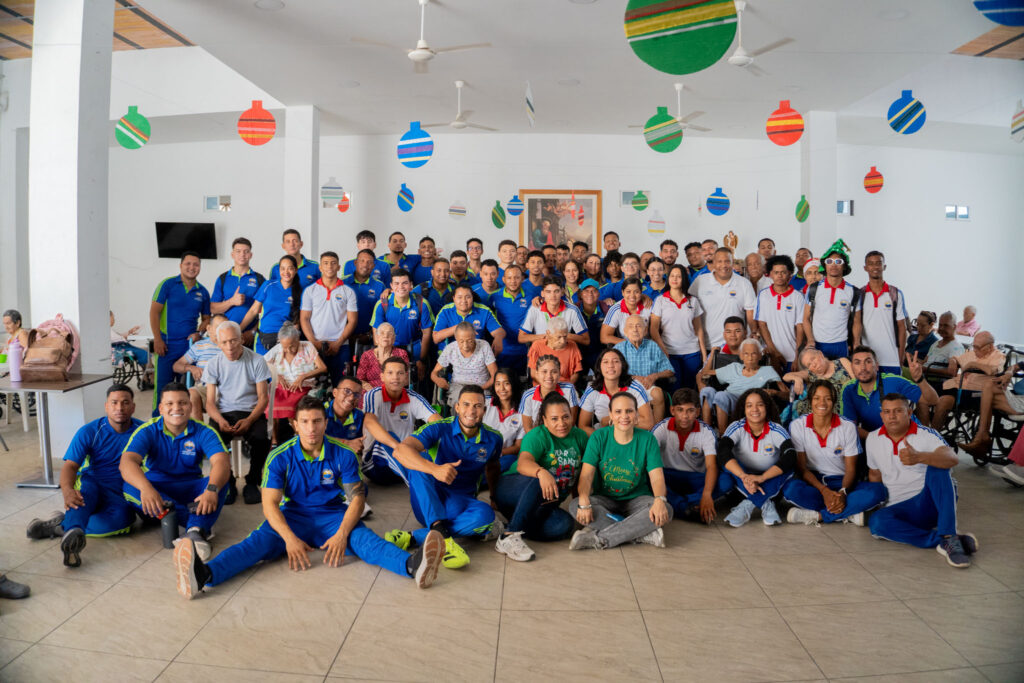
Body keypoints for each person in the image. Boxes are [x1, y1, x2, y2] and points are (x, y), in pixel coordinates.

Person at [173, 396, 445, 599]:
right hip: (293, 516)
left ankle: (412, 565)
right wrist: (289, 539)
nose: (311, 428)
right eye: (304, 422)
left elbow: (357, 499)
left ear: (326, 423)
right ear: (294, 425)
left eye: (317, 421)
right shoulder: (279, 457)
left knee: (366, 541)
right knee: (255, 544)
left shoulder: (344, 454)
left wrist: (342, 534)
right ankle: (203, 574)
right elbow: (269, 503)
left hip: (333, 515)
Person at [384, 385, 504, 569]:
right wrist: (434, 469)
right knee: (419, 459)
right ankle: (444, 537)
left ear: (484, 410)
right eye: (466, 404)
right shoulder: (440, 427)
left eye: (477, 406)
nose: (471, 411)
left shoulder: (494, 438)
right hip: (429, 501)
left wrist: (494, 497)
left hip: (460, 504)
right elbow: (400, 450)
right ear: (457, 407)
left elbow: (493, 468)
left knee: (486, 515)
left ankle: (414, 537)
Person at [25, 384, 143, 567]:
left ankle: (60, 526)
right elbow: (70, 466)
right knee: (81, 498)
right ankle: (72, 534)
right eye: (114, 403)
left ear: (133, 407)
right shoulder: (90, 431)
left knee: (123, 521)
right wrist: (67, 491)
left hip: (121, 489)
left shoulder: (143, 431)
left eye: (125, 403)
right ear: (106, 406)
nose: (119, 408)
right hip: (93, 481)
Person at [121, 382, 230, 560]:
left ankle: (192, 530)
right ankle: (198, 523)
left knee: (220, 481)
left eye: (182, 403)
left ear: (191, 406)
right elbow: (127, 462)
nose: (176, 408)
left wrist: (211, 490)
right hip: (157, 492)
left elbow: (221, 462)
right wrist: (146, 488)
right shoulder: (147, 430)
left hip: (190, 488)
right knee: (130, 487)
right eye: (170, 404)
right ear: (161, 408)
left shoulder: (204, 431)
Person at [866, 394, 977, 568]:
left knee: (938, 468)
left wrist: (919, 457)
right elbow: (875, 474)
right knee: (877, 522)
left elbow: (952, 458)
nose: (892, 416)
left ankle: (949, 536)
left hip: (928, 502)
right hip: (900, 508)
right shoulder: (872, 438)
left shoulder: (926, 434)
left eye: (898, 411)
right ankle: (945, 541)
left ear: (909, 413)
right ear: (882, 415)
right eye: (887, 412)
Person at [568, 392, 672, 549]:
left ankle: (600, 538)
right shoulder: (598, 437)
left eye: (629, 411)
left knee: (666, 509)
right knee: (575, 505)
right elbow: (586, 476)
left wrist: (659, 499)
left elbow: (657, 478)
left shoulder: (648, 439)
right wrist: (583, 499)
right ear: (610, 415)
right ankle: (641, 533)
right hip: (605, 500)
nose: (624, 416)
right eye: (618, 411)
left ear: (636, 415)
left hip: (637, 499)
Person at [493, 393, 588, 560]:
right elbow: (523, 463)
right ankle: (509, 536)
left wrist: (581, 503)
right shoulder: (537, 435)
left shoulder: (580, 437)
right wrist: (542, 472)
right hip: (514, 488)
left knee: (564, 525)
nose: (561, 423)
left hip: (543, 504)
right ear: (545, 420)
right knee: (539, 480)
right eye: (554, 419)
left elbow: (581, 473)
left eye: (566, 417)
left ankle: (510, 524)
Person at [783, 381, 886, 525]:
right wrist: (824, 491)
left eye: (828, 398)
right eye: (817, 398)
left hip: (843, 482)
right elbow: (802, 468)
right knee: (791, 490)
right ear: (810, 401)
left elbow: (851, 469)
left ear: (834, 402)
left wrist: (843, 492)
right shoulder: (797, 426)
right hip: (815, 483)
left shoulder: (848, 426)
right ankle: (847, 513)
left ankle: (819, 515)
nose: (822, 403)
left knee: (879, 491)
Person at [203, 321, 272, 505]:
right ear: (218, 343)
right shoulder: (213, 364)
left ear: (241, 339)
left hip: (251, 412)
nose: (229, 346)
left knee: (262, 437)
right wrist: (220, 420)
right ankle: (228, 481)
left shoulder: (257, 360)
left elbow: (263, 398)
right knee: (212, 438)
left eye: (233, 340)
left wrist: (249, 420)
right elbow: (210, 402)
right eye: (224, 342)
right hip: (224, 413)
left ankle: (252, 481)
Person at [718, 388, 796, 527]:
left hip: (771, 483)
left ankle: (748, 504)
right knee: (729, 464)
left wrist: (762, 477)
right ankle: (765, 503)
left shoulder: (776, 429)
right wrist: (744, 477)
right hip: (742, 485)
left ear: (767, 407)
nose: (754, 409)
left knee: (789, 466)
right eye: (749, 405)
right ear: (744, 409)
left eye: (760, 404)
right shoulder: (736, 427)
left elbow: (790, 455)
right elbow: (723, 450)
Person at [652, 388, 729, 523]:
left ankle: (681, 505)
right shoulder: (661, 428)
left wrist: (706, 494)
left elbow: (711, 466)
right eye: (680, 410)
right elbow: (650, 461)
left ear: (698, 412)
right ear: (672, 410)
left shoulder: (706, 431)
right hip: (668, 476)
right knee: (648, 477)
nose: (685, 416)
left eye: (690, 410)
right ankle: (688, 507)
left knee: (726, 480)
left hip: (696, 478)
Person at [362, 357, 441, 485]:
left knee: (431, 442)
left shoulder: (414, 398)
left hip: (406, 460)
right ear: (382, 377)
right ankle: (422, 479)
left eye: (400, 373)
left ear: (406, 377)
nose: (395, 377)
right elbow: (370, 422)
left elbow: (438, 422)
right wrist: (401, 449)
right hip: (376, 464)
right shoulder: (373, 395)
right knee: (386, 441)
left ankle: (429, 473)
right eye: (390, 373)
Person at [150, 252, 211, 410]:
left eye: (196, 264)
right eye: (188, 264)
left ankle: (184, 421)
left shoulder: (203, 292)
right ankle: (157, 421)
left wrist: (199, 333)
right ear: (180, 265)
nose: (192, 267)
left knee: (186, 391)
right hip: (166, 346)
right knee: (163, 389)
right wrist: (157, 339)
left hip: (189, 347)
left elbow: (207, 319)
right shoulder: (167, 285)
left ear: (200, 267)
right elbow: (154, 312)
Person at [841, 346, 935, 440]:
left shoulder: (893, 381)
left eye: (868, 362)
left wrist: (920, 379)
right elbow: (850, 426)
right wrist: (875, 440)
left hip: (910, 437)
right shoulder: (849, 389)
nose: (863, 368)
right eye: (857, 363)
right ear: (852, 368)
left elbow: (932, 401)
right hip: (875, 439)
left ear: (877, 366)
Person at [698, 338, 786, 434]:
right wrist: (712, 355)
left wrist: (775, 392)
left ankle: (723, 435)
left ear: (760, 356)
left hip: (746, 401)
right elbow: (704, 373)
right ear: (741, 356)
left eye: (754, 353)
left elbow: (787, 394)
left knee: (721, 395)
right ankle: (708, 432)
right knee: (707, 390)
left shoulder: (767, 370)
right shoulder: (734, 367)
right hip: (727, 399)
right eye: (746, 354)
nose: (750, 357)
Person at [299, 251, 359, 385]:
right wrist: (314, 342)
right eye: (325, 263)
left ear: (338, 267)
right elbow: (304, 319)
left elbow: (353, 321)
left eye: (333, 263)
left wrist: (338, 342)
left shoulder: (348, 291)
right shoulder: (310, 290)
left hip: (341, 346)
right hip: (315, 346)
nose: (329, 266)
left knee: (341, 385)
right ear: (320, 267)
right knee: (314, 388)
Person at [264, 322, 326, 444]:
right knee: (272, 402)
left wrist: (303, 377)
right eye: (285, 347)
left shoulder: (307, 346)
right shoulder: (278, 348)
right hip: (281, 387)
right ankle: (274, 441)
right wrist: (276, 375)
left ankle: (299, 437)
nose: (288, 350)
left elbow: (323, 368)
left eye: (291, 346)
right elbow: (262, 363)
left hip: (303, 387)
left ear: (297, 339)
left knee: (294, 406)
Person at [930, 331, 1005, 429]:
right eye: (974, 346)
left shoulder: (998, 356)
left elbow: (992, 370)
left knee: (944, 400)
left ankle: (933, 433)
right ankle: (925, 427)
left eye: (977, 347)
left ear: (990, 347)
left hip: (973, 393)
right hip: (955, 386)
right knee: (924, 392)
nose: (975, 350)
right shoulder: (973, 353)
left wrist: (973, 364)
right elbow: (957, 359)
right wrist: (953, 361)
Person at [370, 268, 432, 382]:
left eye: (405, 283)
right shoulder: (382, 304)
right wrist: (382, 355)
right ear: (391, 286)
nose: (401, 287)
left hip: (414, 348)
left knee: (414, 382)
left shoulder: (421, 303)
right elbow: (376, 333)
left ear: (411, 285)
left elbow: (427, 333)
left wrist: (421, 360)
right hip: (389, 349)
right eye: (396, 283)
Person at [651, 264, 706, 392]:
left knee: (690, 388)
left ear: (684, 279)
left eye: (679, 276)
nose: (675, 279)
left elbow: (699, 329)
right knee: (674, 388)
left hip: (692, 352)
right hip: (670, 352)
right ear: (668, 278)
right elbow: (653, 329)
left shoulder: (693, 301)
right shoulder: (660, 300)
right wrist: (663, 349)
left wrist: (704, 355)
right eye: (672, 276)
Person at [688, 247, 756, 348]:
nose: (723, 265)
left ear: (732, 262)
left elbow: (750, 312)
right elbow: (689, 309)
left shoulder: (744, 283)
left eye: (727, 261)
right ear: (714, 263)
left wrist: (754, 333)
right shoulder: (700, 281)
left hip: (736, 346)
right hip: (706, 345)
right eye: (719, 261)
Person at [853, 250, 908, 375]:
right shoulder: (859, 295)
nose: (875, 267)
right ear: (865, 268)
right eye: (871, 263)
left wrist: (900, 356)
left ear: (884, 266)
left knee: (893, 389)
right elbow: (856, 323)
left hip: (892, 360)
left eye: (878, 263)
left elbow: (902, 327)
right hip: (867, 361)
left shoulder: (895, 293)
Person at [958, 357, 1024, 457]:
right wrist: (1009, 373)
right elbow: (1014, 367)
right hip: (1017, 397)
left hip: (1021, 402)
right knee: (989, 385)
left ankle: (982, 438)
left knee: (988, 397)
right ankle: (982, 435)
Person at [802, 240, 856, 360]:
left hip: (841, 344)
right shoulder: (814, 288)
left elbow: (856, 321)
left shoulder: (852, 291)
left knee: (842, 372)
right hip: (818, 344)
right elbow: (805, 318)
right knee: (818, 372)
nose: (833, 265)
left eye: (838, 261)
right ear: (824, 265)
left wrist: (856, 343)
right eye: (829, 261)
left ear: (844, 266)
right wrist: (810, 340)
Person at [579, 348, 654, 433]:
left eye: (616, 361)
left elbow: (648, 423)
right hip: (604, 435)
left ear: (622, 365)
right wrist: (601, 439)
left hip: (632, 434)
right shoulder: (592, 390)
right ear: (599, 367)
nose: (610, 365)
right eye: (606, 362)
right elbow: (583, 426)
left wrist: (610, 419)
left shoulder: (635, 387)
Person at [614, 315, 672, 423]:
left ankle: (656, 429)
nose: (635, 329)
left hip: (647, 387)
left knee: (658, 393)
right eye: (631, 326)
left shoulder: (653, 346)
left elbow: (669, 371)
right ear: (625, 331)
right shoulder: (618, 349)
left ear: (645, 331)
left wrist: (655, 376)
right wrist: (633, 377)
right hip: (626, 387)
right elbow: (612, 373)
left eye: (639, 326)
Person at [241, 254, 303, 354]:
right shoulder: (268, 285)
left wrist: (293, 341)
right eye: (283, 268)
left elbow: (297, 321)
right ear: (279, 270)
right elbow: (253, 311)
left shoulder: (299, 292)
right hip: (263, 337)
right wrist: (239, 329)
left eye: (290, 268)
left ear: (296, 270)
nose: (286, 272)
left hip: (285, 340)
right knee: (261, 364)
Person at [210, 237, 265, 345]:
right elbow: (213, 309)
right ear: (232, 255)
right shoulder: (223, 278)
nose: (242, 255)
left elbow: (266, 311)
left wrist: (253, 331)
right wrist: (231, 301)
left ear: (251, 255)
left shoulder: (259, 279)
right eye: (238, 251)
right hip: (226, 336)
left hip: (248, 336)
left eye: (246, 251)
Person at [173, 315, 228, 422]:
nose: (221, 331)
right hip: (204, 388)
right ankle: (199, 430)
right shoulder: (199, 346)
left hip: (228, 388)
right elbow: (176, 366)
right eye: (218, 327)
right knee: (191, 393)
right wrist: (191, 368)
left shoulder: (231, 345)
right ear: (209, 328)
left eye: (225, 328)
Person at [755, 255, 805, 372]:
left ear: (789, 274)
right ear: (770, 274)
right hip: (771, 355)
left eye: (783, 272)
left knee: (793, 383)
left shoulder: (798, 297)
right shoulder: (763, 295)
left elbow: (800, 328)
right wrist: (774, 351)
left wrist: (797, 356)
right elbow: (762, 324)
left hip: (792, 356)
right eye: (776, 272)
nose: (779, 275)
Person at [433, 322, 498, 406]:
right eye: (461, 341)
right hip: (459, 386)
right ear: (456, 338)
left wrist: (480, 389)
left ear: (475, 335)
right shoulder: (451, 349)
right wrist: (437, 379)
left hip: (481, 386)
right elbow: (434, 373)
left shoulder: (484, 346)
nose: (465, 345)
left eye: (470, 341)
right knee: (461, 405)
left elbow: (495, 375)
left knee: (481, 405)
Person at [432, 284, 504, 352]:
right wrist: (460, 328)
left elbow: (499, 331)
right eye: (459, 297)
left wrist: (498, 338)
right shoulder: (446, 311)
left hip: (476, 353)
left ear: (472, 297)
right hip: (450, 354)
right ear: (454, 298)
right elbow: (436, 338)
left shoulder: (484, 311)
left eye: (468, 297)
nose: (464, 301)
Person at [784, 347, 854, 417]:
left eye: (813, 359)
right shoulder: (810, 374)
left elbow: (857, 382)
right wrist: (797, 379)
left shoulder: (842, 362)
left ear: (820, 354)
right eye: (809, 364)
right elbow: (786, 376)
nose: (813, 365)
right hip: (818, 413)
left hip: (845, 410)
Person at [519, 277, 589, 346]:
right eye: (548, 292)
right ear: (542, 294)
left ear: (562, 292)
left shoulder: (572, 310)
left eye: (556, 291)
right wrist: (546, 336)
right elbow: (521, 337)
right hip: (541, 351)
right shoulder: (535, 309)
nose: (553, 296)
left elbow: (586, 340)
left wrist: (563, 335)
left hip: (563, 349)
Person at [519, 354, 581, 432]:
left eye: (554, 372)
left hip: (565, 433)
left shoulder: (569, 389)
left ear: (559, 374)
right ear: (537, 374)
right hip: (539, 436)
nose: (549, 376)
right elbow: (528, 429)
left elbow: (571, 422)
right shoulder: (528, 396)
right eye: (544, 372)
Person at [489, 264, 531, 375]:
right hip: (502, 350)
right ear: (503, 279)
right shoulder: (494, 297)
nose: (513, 281)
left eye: (516, 277)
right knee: (503, 380)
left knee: (521, 381)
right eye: (509, 278)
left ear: (522, 279)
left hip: (524, 350)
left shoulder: (530, 297)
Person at [343, 249, 387, 355]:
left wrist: (369, 335)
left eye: (369, 262)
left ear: (373, 265)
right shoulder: (342, 282)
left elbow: (384, 313)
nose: (365, 265)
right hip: (343, 338)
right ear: (355, 263)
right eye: (362, 261)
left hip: (369, 339)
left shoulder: (380, 286)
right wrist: (346, 335)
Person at [484, 369, 526, 472]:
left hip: (503, 456)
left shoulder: (522, 412)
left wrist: (497, 453)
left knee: (512, 460)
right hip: (480, 452)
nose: (502, 388)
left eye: (506, 383)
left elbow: (517, 446)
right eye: (498, 384)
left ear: (514, 385)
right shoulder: (486, 403)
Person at [527, 318, 583, 385]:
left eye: (565, 337)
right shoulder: (537, 346)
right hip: (542, 386)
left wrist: (568, 387)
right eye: (559, 337)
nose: (563, 341)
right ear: (548, 333)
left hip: (565, 386)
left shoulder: (572, 345)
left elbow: (575, 373)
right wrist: (549, 386)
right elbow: (533, 374)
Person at [356, 323, 410, 391]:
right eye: (382, 333)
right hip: (370, 391)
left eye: (389, 333)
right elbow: (360, 379)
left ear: (394, 339)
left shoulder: (401, 354)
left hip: (394, 391)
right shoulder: (366, 355)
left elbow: (406, 378)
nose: (386, 336)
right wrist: (372, 391)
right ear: (377, 338)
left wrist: (389, 390)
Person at [601, 277, 651, 345]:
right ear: (622, 292)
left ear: (641, 292)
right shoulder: (616, 309)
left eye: (636, 292)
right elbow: (604, 337)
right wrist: (629, 344)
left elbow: (657, 331)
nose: (632, 295)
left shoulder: (648, 305)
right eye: (628, 292)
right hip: (625, 346)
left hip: (648, 346)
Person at [922, 312, 965, 384]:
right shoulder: (935, 344)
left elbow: (952, 372)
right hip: (923, 377)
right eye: (940, 325)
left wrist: (927, 369)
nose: (941, 328)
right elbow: (924, 362)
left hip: (935, 383)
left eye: (946, 325)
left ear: (954, 327)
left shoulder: (956, 347)